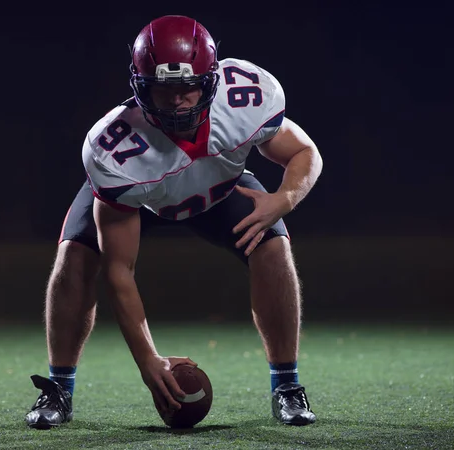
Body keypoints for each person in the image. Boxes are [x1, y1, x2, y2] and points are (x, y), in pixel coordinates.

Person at [25, 14, 323, 429]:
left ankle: (287, 386)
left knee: (273, 245)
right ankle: (58, 388)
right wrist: (147, 358)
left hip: (219, 192)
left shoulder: (246, 97)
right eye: (165, 91)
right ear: (140, 85)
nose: (179, 101)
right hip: (140, 201)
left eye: (188, 87)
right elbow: (120, 272)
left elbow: (305, 153)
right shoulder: (115, 152)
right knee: (74, 258)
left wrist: (284, 199)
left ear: (212, 79)